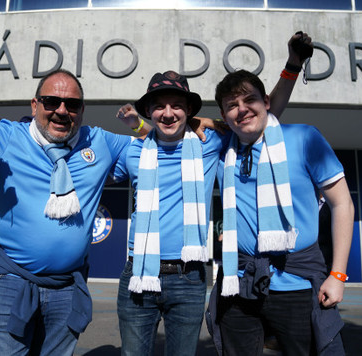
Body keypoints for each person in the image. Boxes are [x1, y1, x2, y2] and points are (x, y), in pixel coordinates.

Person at [0, 48, 133, 355]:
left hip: (67, 288)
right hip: (9, 284)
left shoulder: (99, 142)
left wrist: (192, 124)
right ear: (35, 105)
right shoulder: (6, 138)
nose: (62, 110)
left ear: (82, 110)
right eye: (51, 101)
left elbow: (156, 146)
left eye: (72, 104)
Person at [113, 32, 313, 356]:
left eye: (177, 106)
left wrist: (292, 65)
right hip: (138, 272)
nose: (168, 113)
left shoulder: (210, 142)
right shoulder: (133, 150)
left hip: (189, 277)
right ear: (148, 110)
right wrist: (140, 127)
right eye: (159, 106)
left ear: (188, 111)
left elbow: (261, 112)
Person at [206, 69, 355, 356]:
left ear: (266, 102)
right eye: (231, 106)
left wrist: (338, 274)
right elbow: (182, 129)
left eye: (250, 100)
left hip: (297, 282)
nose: (242, 110)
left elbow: (343, 204)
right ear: (224, 117)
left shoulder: (304, 137)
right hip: (239, 283)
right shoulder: (222, 148)